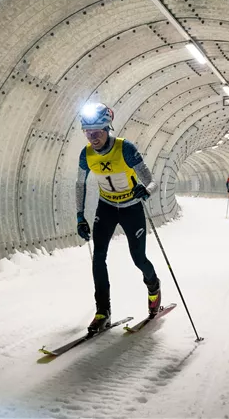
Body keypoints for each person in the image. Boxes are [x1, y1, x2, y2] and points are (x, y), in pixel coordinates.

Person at [76, 103, 161, 333]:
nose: (92, 137)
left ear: (107, 129)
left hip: (131, 208)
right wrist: (79, 216)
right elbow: (80, 184)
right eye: (88, 133)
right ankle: (102, 310)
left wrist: (146, 190)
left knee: (138, 259)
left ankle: (153, 286)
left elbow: (152, 180)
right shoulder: (86, 154)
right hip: (106, 207)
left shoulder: (125, 148)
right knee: (98, 258)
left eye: (97, 132)